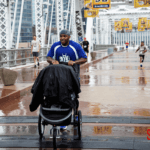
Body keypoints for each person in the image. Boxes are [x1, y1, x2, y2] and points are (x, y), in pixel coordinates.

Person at [47, 29, 87, 130]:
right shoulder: (55, 46)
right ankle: (58, 115)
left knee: (73, 96)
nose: (62, 38)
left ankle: (75, 114)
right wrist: (52, 60)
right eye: (61, 36)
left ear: (69, 37)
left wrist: (74, 62)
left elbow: (84, 58)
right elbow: (48, 57)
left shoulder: (75, 46)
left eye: (64, 36)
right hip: (58, 76)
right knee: (57, 94)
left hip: (72, 75)